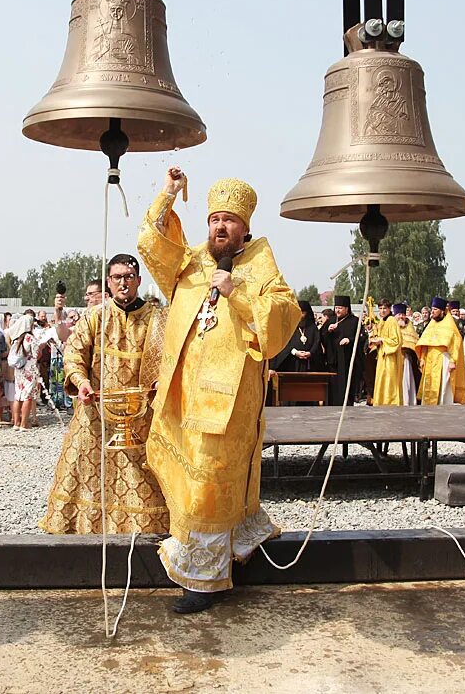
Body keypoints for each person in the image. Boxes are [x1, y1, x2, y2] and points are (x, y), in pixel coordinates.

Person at [138, 168, 296, 614]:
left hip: (228, 406)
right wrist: (168, 193)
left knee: (209, 487)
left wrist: (238, 292)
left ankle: (203, 583)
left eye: (229, 221)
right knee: (190, 485)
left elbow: (284, 316)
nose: (220, 227)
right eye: (214, 220)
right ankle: (217, 555)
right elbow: (151, 244)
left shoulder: (260, 266)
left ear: (246, 227)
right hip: (181, 397)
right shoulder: (190, 264)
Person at [40, 253, 169, 534]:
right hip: (96, 414)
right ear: (108, 282)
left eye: (129, 276)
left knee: (142, 477)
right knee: (85, 472)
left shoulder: (156, 318)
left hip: (141, 417)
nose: (123, 282)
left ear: (138, 280)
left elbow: (167, 360)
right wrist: (81, 381)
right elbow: (74, 353)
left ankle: (144, 532)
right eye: (117, 277)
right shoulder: (95, 316)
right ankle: (84, 530)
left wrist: (162, 382)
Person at [415, 297, 465, 405]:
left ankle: (443, 406)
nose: (432, 312)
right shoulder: (430, 325)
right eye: (432, 309)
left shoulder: (450, 326)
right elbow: (425, 343)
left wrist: (453, 361)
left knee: (443, 387)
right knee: (429, 385)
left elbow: (455, 344)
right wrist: (422, 358)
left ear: (442, 311)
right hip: (429, 360)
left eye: (435, 309)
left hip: (443, 359)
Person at [325, 295, 366, 405]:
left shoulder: (354, 321)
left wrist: (350, 340)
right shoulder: (331, 320)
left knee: (347, 384)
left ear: (347, 308)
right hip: (333, 359)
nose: (337, 310)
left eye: (340, 308)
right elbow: (322, 337)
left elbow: (362, 337)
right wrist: (327, 330)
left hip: (348, 360)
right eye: (336, 307)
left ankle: (347, 404)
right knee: (334, 386)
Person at [369, 300, 407, 406]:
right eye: (380, 308)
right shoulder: (382, 321)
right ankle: (381, 401)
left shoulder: (392, 321)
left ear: (389, 309)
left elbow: (397, 341)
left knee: (390, 380)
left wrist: (382, 340)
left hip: (391, 357)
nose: (382, 311)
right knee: (382, 380)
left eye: (384, 308)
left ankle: (391, 402)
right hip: (382, 355)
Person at [6, 313, 40, 430]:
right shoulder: (31, 338)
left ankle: (16, 422)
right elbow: (36, 355)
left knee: (18, 396)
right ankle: (24, 423)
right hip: (30, 370)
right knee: (28, 396)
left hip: (19, 370)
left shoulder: (16, 339)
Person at [271, 300, 323, 373]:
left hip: (309, 362)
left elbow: (317, 341)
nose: (300, 315)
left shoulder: (312, 327)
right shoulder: (288, 326)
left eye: (303, 312)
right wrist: (295, 352)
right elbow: (284, 343)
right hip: (291, 361)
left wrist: (311, 352)